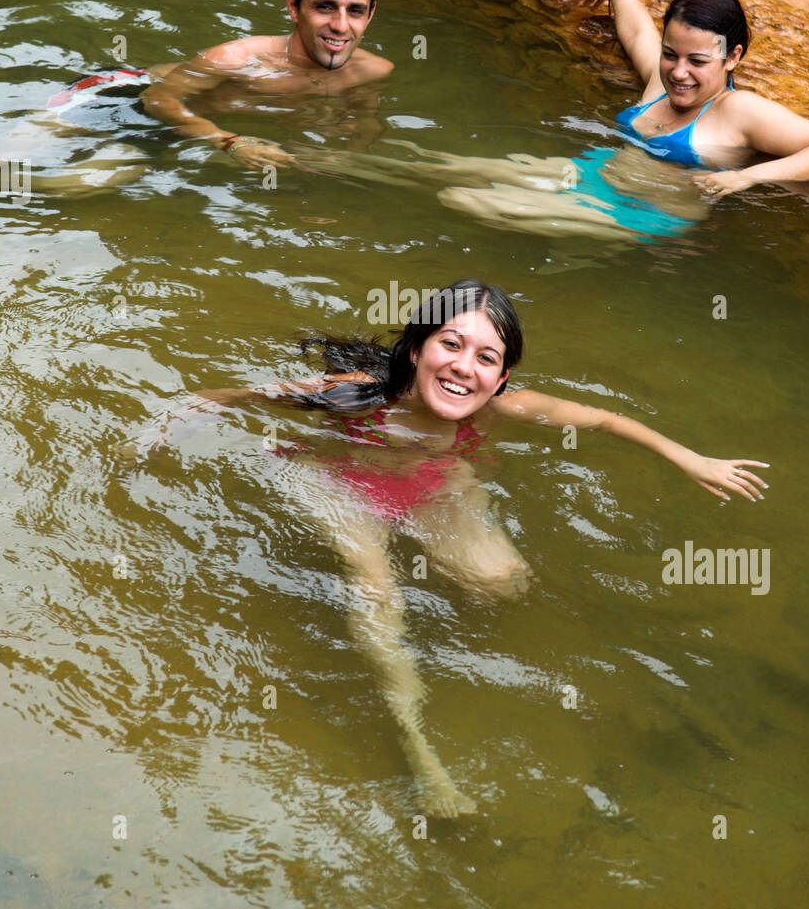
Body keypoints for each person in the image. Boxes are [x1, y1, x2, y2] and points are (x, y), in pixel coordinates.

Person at [122, 279, 769, 817]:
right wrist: (168, 423)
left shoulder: (502, 407)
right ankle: (416, 743)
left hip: (431, 481)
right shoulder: (356, 392)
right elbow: (230, 395)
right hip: (339, 480)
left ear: (502, 375)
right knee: (378, 591)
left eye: (485, 357)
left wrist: (689, 457)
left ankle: (434, 622)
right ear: (415, 348)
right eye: (450, 344)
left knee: (501, 583)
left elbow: (602, 419)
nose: (465, 366)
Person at [560, 0, 809, 200]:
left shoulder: (738, 110)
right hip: (595, 173)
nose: (678, 72)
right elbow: (638, 34)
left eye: (697, 61)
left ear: (732, 57)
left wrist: (746, 177)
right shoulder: (660, 84)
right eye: (670, 54)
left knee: (517, 206)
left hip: (645, 210)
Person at [139, 0, 393, 171]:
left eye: (355, 11)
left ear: (370, 15)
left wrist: (341, 159)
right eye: (325, 7)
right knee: (103, 182)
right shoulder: (236, 60)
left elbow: (363, 131)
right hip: (138, 110)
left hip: (205, 143)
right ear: (294, 7)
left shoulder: (373, 72)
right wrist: (229, 142)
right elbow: (157, 100)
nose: (340, 25)